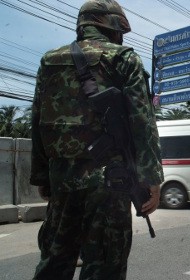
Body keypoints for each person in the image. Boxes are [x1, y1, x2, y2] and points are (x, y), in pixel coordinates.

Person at [30, 1, 164, 279]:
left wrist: (43, 175)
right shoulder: (124, 58)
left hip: (61, 179)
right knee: (104, 264)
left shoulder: (49, 60)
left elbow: (37, 121)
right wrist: (152, 178)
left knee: (55, 260)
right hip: (109, 181)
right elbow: (143, 121)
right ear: (113, 25)